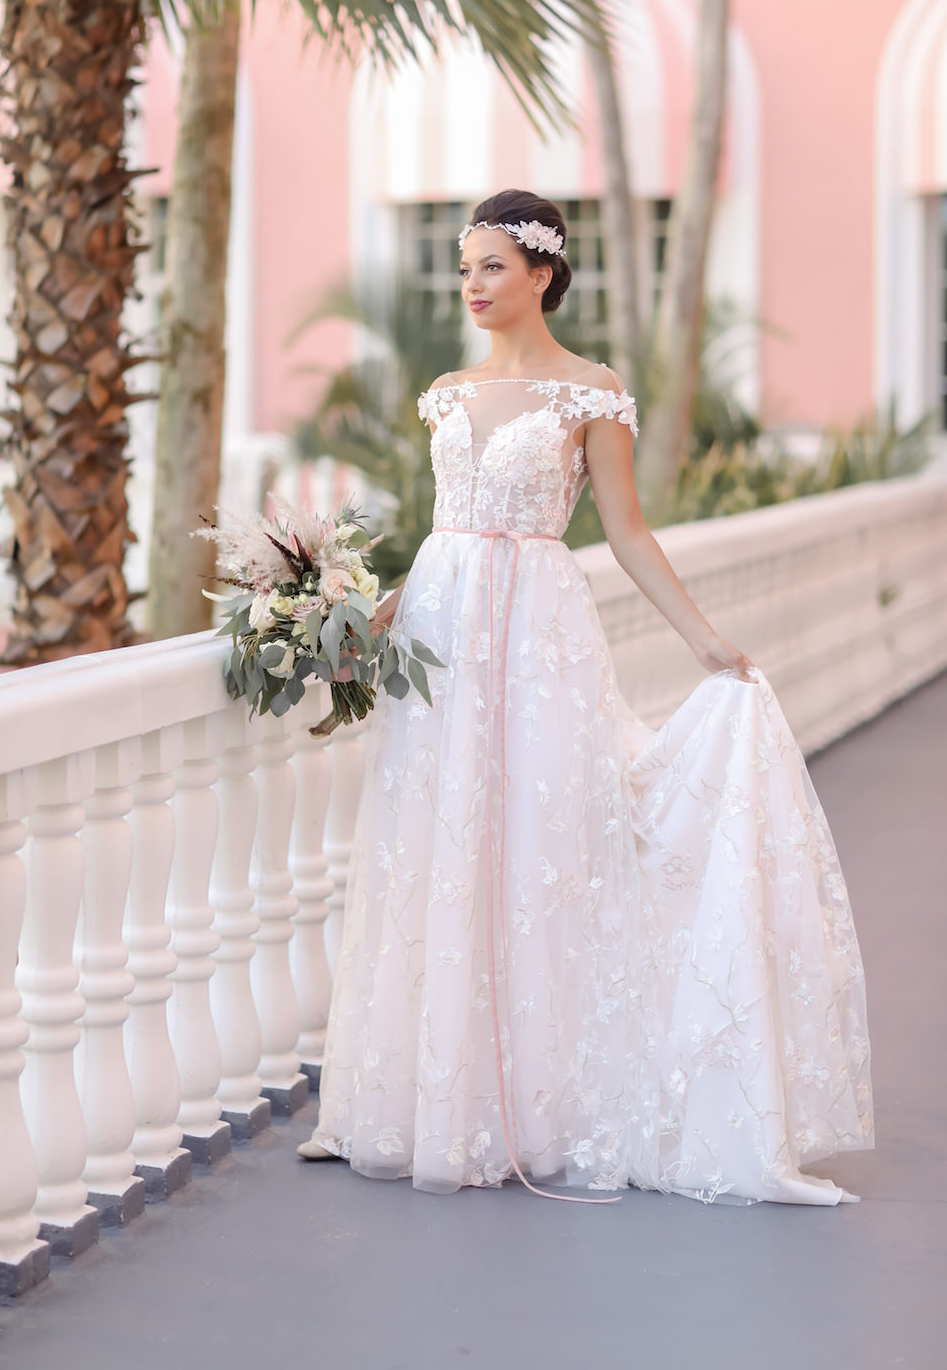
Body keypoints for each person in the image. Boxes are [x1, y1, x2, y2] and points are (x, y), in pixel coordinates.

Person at [296, 189, 873, 1205]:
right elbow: (446, 534)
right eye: (464, 268)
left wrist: (704, 641)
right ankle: (414, 1100)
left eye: (490, 268)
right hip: (442, 628)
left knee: (544, 844)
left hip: (537, 631)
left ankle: (543, 1104)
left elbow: (626, 530)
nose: (471, 286)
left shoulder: (592, 395)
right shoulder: (444, 393)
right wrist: (353, 621)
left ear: (542, 274)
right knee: (435, 840)